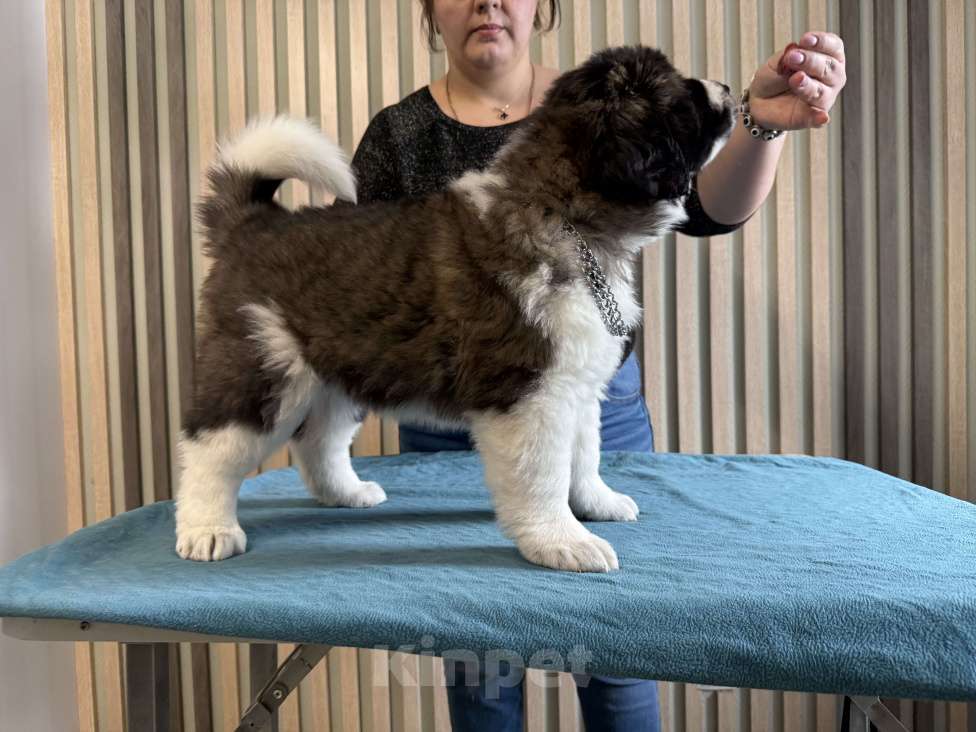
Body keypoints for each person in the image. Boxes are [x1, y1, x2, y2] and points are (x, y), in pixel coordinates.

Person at [347, 2, 847, 730]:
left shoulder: (601, 100)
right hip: (449, 421)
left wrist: (758, 122)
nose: (487, 1)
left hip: (598, 406)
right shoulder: (399, 134)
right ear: (429, 9)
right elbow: (369, 281)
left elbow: (706, 207)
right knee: (480, 661)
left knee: (617, 653)